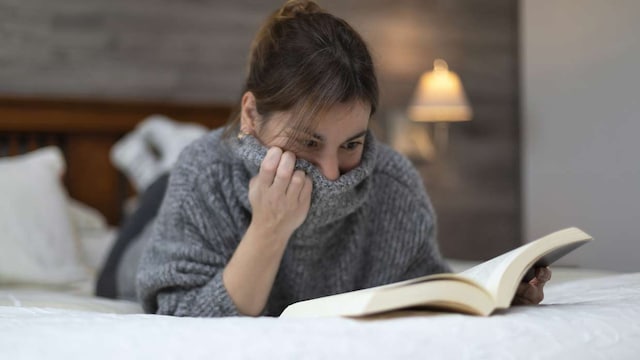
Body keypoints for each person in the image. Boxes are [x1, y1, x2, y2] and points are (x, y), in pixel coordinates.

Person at [136, 0, 550, 317]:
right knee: (134, 241)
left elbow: (427, 290)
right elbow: (178, 315)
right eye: (307, 143)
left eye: (350, 144)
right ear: (250, 114)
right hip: (143, 238)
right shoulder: (203, 172)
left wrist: (499, 294)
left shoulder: (393, 183)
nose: (331, 174)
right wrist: (269, 229)